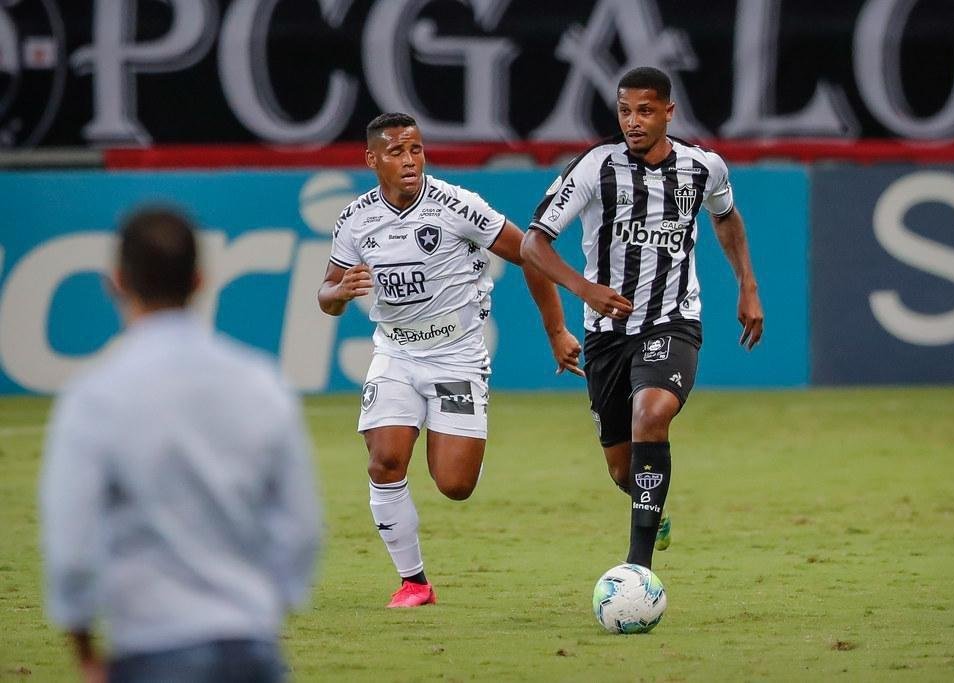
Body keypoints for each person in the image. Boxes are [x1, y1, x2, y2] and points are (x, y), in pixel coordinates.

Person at [40, 208, 322, 683]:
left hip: (149, 648)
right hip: (250, 649)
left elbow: (71, 549)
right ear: (200, 281)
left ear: (117, 282)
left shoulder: (94, 395)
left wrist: (86, 651)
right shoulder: (260, 383)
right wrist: (262, 607)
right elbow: (301, 527)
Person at [318, 112, 581, 608]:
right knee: (385, 461)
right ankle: (414, 582)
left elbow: (531, 252)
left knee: (454, 485)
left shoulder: (457, 205)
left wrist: (556, 331)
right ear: (372, 159)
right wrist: (337, 291)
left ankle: (464, 440)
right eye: (396, 151)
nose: (410, 159)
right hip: (394, 351)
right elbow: (326, 294)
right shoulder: (355, 219)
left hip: (456, 357)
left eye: (415, 148)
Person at [521, 66, 765, 570]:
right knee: (620, 468)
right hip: (606, 336)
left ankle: (638, 568)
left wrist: (747, 284)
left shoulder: (704, 168)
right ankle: (650, 506)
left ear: (669, 112)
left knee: (651, 414)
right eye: (625, 111)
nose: (633, 121)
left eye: (646, 111)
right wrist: (584, 289)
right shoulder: (593, 168)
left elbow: (726, 217)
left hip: (672, 321)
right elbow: (533, 243)